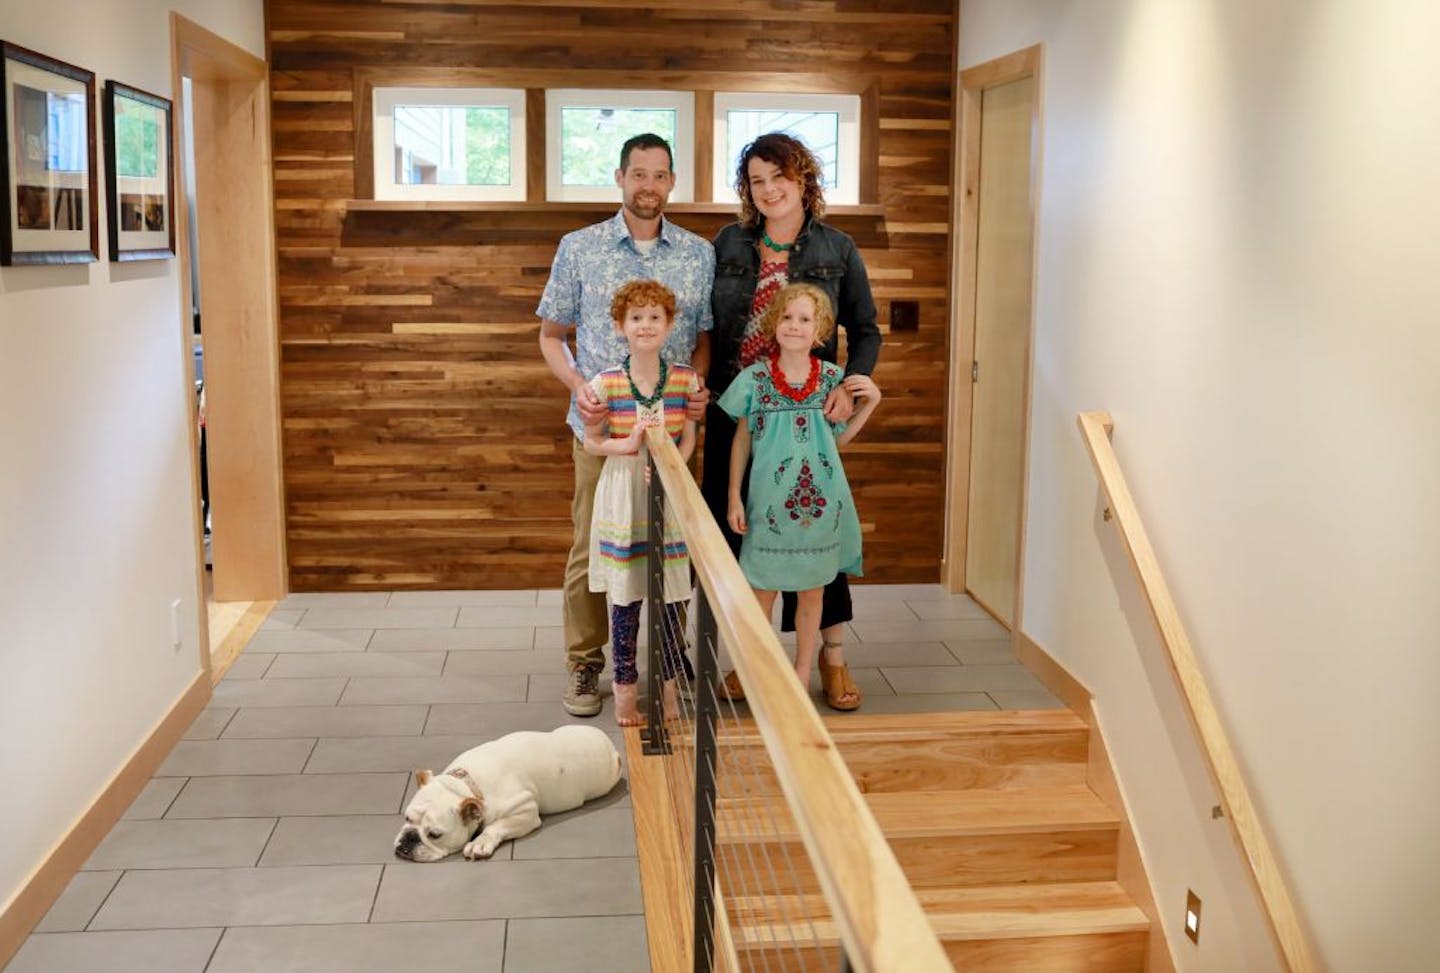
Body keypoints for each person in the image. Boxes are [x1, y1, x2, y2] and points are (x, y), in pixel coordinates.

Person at [702, 132, 882, 709]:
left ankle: (830, 657)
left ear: (803, 179)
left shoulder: (838, 248)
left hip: (809, 412)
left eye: (779, 176)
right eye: (757, 180)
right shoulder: (730, 242)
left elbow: (867, 328)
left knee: (813, 528)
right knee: (740, 536)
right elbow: (708, 324)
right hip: (744, 407)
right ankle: (750, 661)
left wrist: (852, 390)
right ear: (747, 190)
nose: (769, 189)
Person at [538, 133, 714, 717]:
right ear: (619, 178)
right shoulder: (580, 246)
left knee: (672, 547)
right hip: (604, 432)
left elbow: (703, 340)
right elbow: (551, 335)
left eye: (659, 175)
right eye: (637, 174)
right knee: (594, 548)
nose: (648, 186)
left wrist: (694, 400)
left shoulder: (697, 253)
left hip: (672, 435)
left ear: (671, 181)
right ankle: (587, 664)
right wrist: (580, 390)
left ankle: (668, 660)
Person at [720, 283, 881, 710]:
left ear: (820, 330)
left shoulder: (832, 381)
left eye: (805, 319)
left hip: (821, 506)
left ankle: (802, 674)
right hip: (769, 507)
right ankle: (758, 671)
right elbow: (741, 441)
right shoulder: (754, 379)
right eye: (787, 317)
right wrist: (734, 496)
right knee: (762, 593)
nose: (795, 326)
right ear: (774, 324)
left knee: (813, 593)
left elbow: (838, 441)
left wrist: (870, 403)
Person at [584, 280, 698, 726]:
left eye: (655, 317)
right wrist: (627, 445)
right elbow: (591, 443)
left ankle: (668, 689)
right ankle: (625, 690)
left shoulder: (686, 379)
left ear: (669, 325)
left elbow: (688, 436)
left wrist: (671, 464)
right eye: (636, 318)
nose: (645, 325)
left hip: (667, 493)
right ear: (620, 326)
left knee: (670, 597)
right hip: (623, 495)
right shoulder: (607, 381)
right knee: (627, 598)